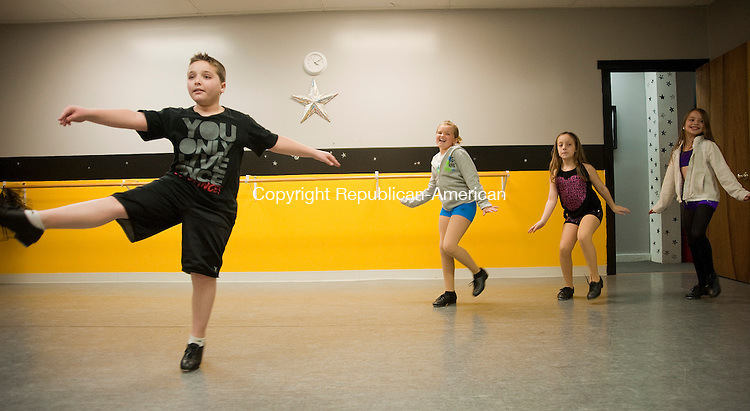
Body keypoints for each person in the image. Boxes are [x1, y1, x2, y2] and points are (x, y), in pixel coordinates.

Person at [0, 53, 340, 371]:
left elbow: (275, 140)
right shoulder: (177, 117)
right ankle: (34, 221)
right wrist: (89, 113)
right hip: (176, 187)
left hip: (215, 204)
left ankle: (196, 341)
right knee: (117, 204)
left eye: (207, 76)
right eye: (191, 76)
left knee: (202, 272)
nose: (198, 81)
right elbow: (133, 117)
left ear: (222, 85)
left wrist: (313, 152)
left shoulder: (239, 123)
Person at [649, 108, 750, 300]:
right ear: (684, 123)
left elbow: (724, 172)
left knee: (697, 233)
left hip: (707, 197)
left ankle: (711, 275)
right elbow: (669, 180)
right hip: (689, 199)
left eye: (701, 121)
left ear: (705, 126)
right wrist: (660, 205)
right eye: (692, 119)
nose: (695, 123)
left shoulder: (708, 146)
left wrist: (740, 193)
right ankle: (702, 283)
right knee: (692, 241)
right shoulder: (677, 151)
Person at [401, 121, 498, 307]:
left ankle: (478, 273)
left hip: (464, 204)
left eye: (447, 133)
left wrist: (484, 203)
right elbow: (431, 189)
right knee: (443, 249)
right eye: (439, 132)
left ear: (455, 139)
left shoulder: (459, 154)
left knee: (450, 245)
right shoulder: (435, 159)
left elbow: (472, 179)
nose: (442, 136)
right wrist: (413, 202)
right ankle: (449, 293)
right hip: (447, 207)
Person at [528, 132, 630, 300]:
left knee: (583, 236)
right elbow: (552, 199)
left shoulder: (585, 168)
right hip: (572, 215)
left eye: (568, 144)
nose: (564, 148)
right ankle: (568, 286)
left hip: (592, 211)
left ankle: (595, 279)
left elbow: (602, 188)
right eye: (560, 145)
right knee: (563, 248)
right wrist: (543, 220)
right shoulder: (555, 173)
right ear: (556, 149)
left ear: (576, 148)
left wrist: (613, 206)